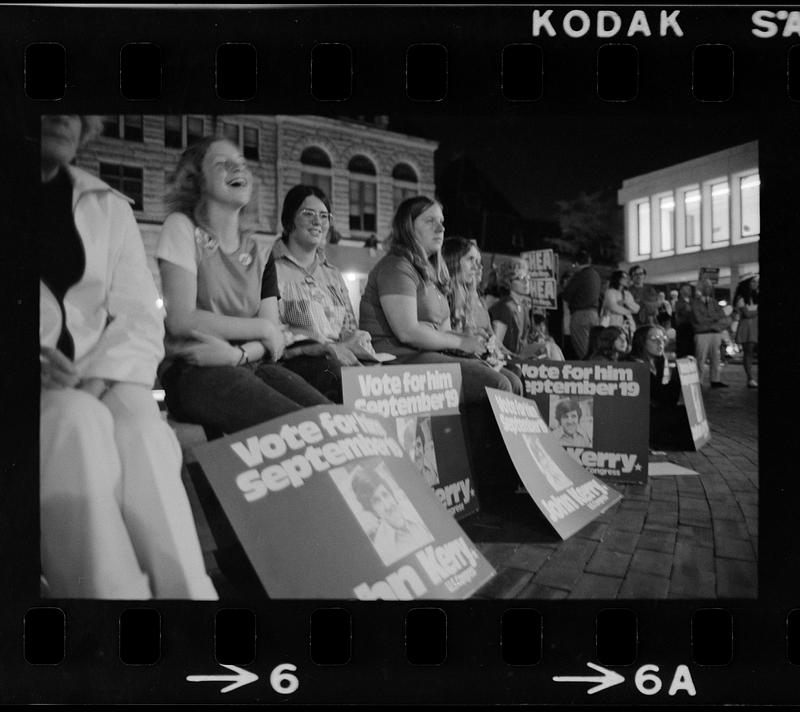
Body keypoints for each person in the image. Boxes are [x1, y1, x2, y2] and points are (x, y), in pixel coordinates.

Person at [37, 115, 216, 599]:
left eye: (77, 110)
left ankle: (191, 602)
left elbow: (140, 314)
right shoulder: (180, 228)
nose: (63, 117)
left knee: (147, 434)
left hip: (100, 373)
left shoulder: (107, 205)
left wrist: (97, 380)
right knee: (75, 424)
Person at [157, 137, 331, 436]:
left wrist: (239, 354)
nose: (238, 169)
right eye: (223, 164)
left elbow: (273, 336)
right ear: (197, 180)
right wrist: (261, 332)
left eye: (241, 163)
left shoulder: (257, 249)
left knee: (331, 421)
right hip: (194, 369)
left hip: (248, 362)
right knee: (304, 431)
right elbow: (181, 319)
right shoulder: (181, 227)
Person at [359, 196, 515, 493]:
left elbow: (442, 327)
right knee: (497, 384)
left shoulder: (430, 271)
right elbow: (407, 332)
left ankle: (501, 472)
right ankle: (489, 482)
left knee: (510, 379)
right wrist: (462, 343)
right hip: (397, 360)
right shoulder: (396, 266)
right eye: (429, 221)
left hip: (425, 355)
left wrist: (470, 344)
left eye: (442, 222)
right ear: (408, 227)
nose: (440, 228)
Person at [272, 184, 378, 401]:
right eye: (308, 213)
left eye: (324, 215)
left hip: (338, 358)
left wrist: (357, 339)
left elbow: (348, 326)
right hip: (299, 362)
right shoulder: (271, 270)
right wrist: (326, 348)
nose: (318, 222)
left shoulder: (333, 275)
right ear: (289, 219)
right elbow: (273, 333)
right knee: (335, 376)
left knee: (386, 379)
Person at [441, 237, 523, 393]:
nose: (477, 267)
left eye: (478, 261)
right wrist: (476, 342)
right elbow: (447, 338)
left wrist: (494, 352)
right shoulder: (443, 294)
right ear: (453, 260)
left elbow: (493, 338)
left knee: (516, 375)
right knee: (507, 381)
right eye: (471, 260)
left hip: (478, 356)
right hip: (456, 358)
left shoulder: (473, 298)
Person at [350, 465, 433, 566]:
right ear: (373, 511)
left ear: (392, 494)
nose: (387, 506)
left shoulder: (415, 510)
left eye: (385, 495)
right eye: (377, 501)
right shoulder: (382, 548)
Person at [630, 325, 693, 450]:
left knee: (687, 414)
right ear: (641, 342)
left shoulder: (657, 361)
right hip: (637, 418)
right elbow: (661, 396)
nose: (661, 343)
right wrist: (677, 375)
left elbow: (666, 398)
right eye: (654, 339)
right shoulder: (634, 365)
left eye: (663, 339)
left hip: (653, 410)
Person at [690, 278, 731, 388]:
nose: (708, 288)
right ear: (701, 288)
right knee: (700, 359)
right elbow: (699, 319)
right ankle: (698, 381)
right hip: (701, 334)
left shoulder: (713, 302)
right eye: (706, 286)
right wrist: (715, 320)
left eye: (709, 286)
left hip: (714, 333)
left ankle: (715, 380)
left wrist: (711, 320)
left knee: (715, 358)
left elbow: (722, 316)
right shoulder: (695, 303)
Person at [561, 249, 601, 359]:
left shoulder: (579, 275)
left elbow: (567, 294)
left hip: (580, 315)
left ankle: (590, 371)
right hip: (594, 314)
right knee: (593, 347)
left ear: (577, 263)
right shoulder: (595, 275)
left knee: (583, 350)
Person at [733, 274, 759, 388]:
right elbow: (747, 314)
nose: (756, 284)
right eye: (753, 282)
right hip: (747, 327)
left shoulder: (756, 295)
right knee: (749, 353)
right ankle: (750, 378)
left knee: (752, 353)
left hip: (754, 325)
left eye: (756, 282)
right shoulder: (741, 298)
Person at [600, 269, 638, 335]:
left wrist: (625, 302)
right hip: (614, 324)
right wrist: (629, 311)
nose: (627, 279)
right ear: (618, 278)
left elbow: (636, 308)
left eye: (627, 277)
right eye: (624, 277)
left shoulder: (627, 293)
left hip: (629, 326)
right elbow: (613, 307)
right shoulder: (610, 292)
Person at [673, 283, 695, 358]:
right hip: (682, 328)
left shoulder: (693, 301)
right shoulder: (677, 302)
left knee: (692, 349)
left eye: (690, 289)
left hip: (692, 328)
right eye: (687, 288)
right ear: (681, 291)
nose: (689, 290)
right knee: (682, 349)